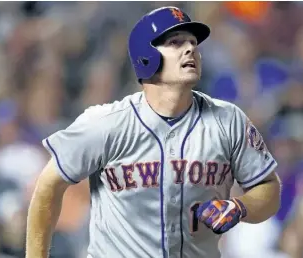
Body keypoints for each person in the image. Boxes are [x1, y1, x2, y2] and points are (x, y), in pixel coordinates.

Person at [26, 6, 281, 258]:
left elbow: (268, 188)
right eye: (176, 42)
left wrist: (240, 206)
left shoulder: (228, 120)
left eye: (193, 43)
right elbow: (48, 186)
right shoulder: (107, 123)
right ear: (146, 56)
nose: (191, 49)